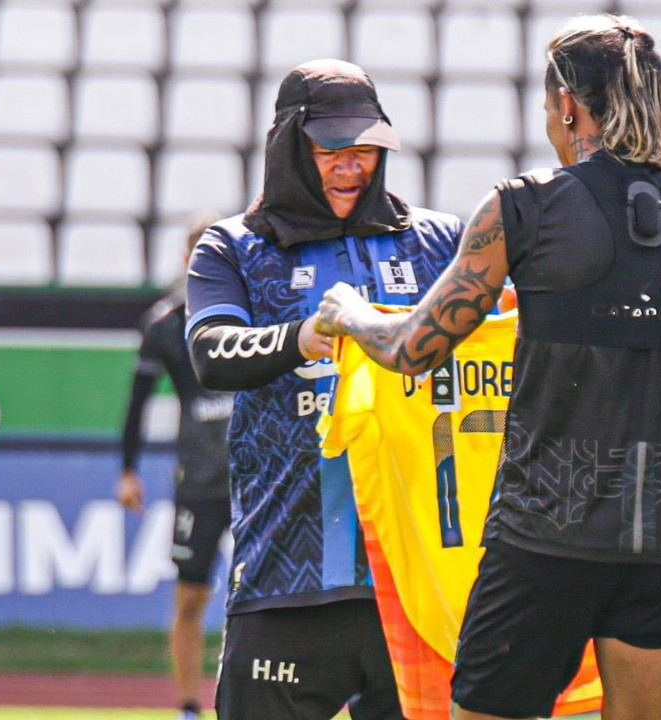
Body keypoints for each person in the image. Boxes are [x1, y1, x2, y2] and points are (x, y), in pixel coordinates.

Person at [315, 14, 661, 720]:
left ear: (567, 106)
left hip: (545, 539)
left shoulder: (523, 207)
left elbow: (412, 352)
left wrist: (347, 313)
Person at [185, 59, 463, 720]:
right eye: (331, 151)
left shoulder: (443, 242)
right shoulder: (233, 247)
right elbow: (211, 352)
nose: (351, 167)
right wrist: (300, 337)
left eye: (365, 150)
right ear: (288, 147)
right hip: (286, 574)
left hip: (418, 583)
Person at [116, 215, 232, 720]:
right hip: (200, 479)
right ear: (188, 261)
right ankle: (188, 708)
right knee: (191, 597)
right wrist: (127, 470)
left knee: (276, 599)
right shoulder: (165, 326)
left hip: (262, 478)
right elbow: (136, 404)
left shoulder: (258, 311)